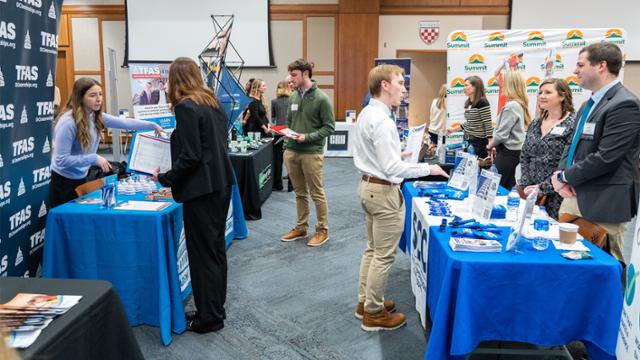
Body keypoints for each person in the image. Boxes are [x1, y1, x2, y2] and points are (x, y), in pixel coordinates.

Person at [353, 64, 448, 331]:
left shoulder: (368, 113)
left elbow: (378, 157)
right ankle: (373, 312)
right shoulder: (382, 120)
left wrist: (399, 156)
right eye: (400, 83)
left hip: (369, 186)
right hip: (383, 192)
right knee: (382, 255)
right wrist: (428, 168)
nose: (403, 90)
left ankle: (366, 302)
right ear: (384, 85)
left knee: (373, 251)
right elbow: (393, 169)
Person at [152, 57, 234, 333]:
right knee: (215, 253)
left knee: (202, 257)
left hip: (201, 192)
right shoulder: (211, 102)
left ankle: (208, 318)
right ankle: (214, 310)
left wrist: (164, 178)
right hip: (220, 186)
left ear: (176, 80)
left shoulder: (186, 107)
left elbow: (190, 157)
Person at [552, 42, 640, 263]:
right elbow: (571, 145)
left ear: (601, 65)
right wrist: (561, 176)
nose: (575, 70)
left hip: (604, 205)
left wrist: (565, 176)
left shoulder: (625, 104)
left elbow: (606, 157)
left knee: (604, 267)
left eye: (581, 64)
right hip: (574, 196)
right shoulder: (587, 105)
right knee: (569, 262)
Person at [50, 77, 161, 208]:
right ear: (80, 97)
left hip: (80, 178)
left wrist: (152, 125)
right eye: (92, 95)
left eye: (100, 94)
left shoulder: (95, 115)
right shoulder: (68, 123)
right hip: (62, 182)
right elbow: (61, 160)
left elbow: (124, 122)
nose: (99, 99)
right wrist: (93, 158)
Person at [280, 58, 335, 247]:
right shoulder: (293, 97)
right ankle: (301, 227)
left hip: (311, 152)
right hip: (292, 151)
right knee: (299, 193)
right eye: (290, 75)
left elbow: (329, 128)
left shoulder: (321, 98)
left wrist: (307, 137)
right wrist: (286, 137)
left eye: (294, 75)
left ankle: (322, 230)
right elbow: (290, 122)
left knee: (316, 193)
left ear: (305, 74)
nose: (290, 79)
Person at [519, 78, 575, 220]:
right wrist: (527, 185)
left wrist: (542, 188)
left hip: (557, 194)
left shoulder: (572, 124)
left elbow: (570, 162)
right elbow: (525, 155)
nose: (542, 96)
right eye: (540, 92)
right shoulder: (536, 123)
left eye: (548, 92)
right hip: (530, 192)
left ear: (562, 96)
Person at [487, 71, 531, 189]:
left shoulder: (512, 106)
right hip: (513, 153)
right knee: (507, 186)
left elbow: (501, 135)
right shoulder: (519, 104)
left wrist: (489, 145)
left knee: (495, 188)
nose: (501, 85)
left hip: (507, 153)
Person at [447, 76, 492, 160]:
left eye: (466, 85)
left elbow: (487, 123)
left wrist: (490, 143)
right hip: (467, 140)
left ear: (475, 87)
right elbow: (470, 123)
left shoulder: (482, 102)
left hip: (478, 143)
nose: (464, 88)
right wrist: (454, 130)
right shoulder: (469, 103)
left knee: (476, 168)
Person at [271, 80, 292, 191]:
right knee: (290, 158)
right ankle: (291, 185)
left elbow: (273, 119)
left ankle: (277, 184)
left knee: (277, 159)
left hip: (278, 132)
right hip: (289, 132)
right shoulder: (292, 101)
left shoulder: (274, 101)